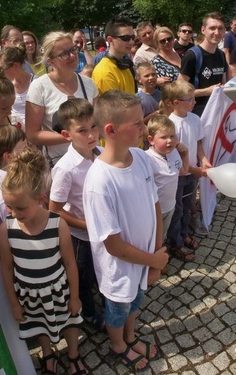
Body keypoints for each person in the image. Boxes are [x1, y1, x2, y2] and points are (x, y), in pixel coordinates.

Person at [83, 90, 166, 371]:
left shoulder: (141, 158)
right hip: (119, 269)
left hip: (144, 260)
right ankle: (118, 344)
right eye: (138, 124)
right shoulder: (99, 181)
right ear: (111, 130)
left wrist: (156, 252)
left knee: (136, 301)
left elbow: (154, 205)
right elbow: (114, 246)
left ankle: (131, 337)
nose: (144, 128)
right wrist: (152, 260)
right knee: (118, 310)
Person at [0, 149, 85, 375]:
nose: (14, 213)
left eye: (20, 207)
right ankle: (48, 354)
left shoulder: (57, 224)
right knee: (39, 326)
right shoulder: (6, 229)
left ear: (40, 199)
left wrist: (74, 297)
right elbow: (7, 268)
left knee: (70, 322)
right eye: (9, 207)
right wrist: (14, 303)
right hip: (29, 295)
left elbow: (69, 264)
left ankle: (73, 354)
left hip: (59, 291)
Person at [48, 99, 104, 332]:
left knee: (100, 271)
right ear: (66, 134)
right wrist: (86, 225)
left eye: (94, 127)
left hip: (103, 231)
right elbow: (55, 209)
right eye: (82, 130)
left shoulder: (100, 153)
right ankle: (89, 313)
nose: (91, 135)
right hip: (81, 236)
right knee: (82, 277)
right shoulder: (66, 168)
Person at [25, 32, 99, 165]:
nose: (72, 56)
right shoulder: (39, 87)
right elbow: (33, 135)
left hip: (92, 160)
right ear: (50, 61)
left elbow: (98, 121)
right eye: (64, 54)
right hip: (60, 162)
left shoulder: (88, 84)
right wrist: (72, 136)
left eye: (73, 50)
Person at [161, 79, 211, 245]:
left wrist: (203, 160)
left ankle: (184, 233)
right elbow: (173, 155)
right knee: (177, 208)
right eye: (190, 99)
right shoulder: (171, 125)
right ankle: (176, 241)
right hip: (178, 175)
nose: (194, 101)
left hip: (193, 172)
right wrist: (192, 169)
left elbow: (197, 143)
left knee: (188, 204)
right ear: (176, 103)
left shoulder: (195, 119)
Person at [145, 114, 189, 263]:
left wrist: (185, 153)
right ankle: (153, 263)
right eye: (164, 137)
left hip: (170, 206)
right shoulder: (147, 159)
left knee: (162, 235)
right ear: (151, 140)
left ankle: (161, 255)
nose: (170, 140)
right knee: (152, 238)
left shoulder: (174, 152)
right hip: (152, 211)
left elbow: (182, 171)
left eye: (172, 136)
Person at [179, 12, 228, 116]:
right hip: (196, 113)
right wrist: (206, 91)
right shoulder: (192, 55)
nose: (216, 32)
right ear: (203, 30)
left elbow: (223, 82)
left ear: (224, 31)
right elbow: (178, 90)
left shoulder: (221, 55)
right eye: (212, 28)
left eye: (220, 28)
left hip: (216, 113)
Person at [0, 124, 28, 222]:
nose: (29, 152)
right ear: (8, 156)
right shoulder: (4, 196)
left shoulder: (25, 175)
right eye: (24, 149)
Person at [93, 17, 137, 96]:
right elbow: (113, 107)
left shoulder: (125, 65)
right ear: (110, 40)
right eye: (126, 38)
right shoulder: (105, 72)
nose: (131, 42)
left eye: (132, 37)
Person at [0, 45, 32, 125]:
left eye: (2, 69)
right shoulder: (7, 85)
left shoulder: (35, 82)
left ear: (15, 66)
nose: (1, 72)